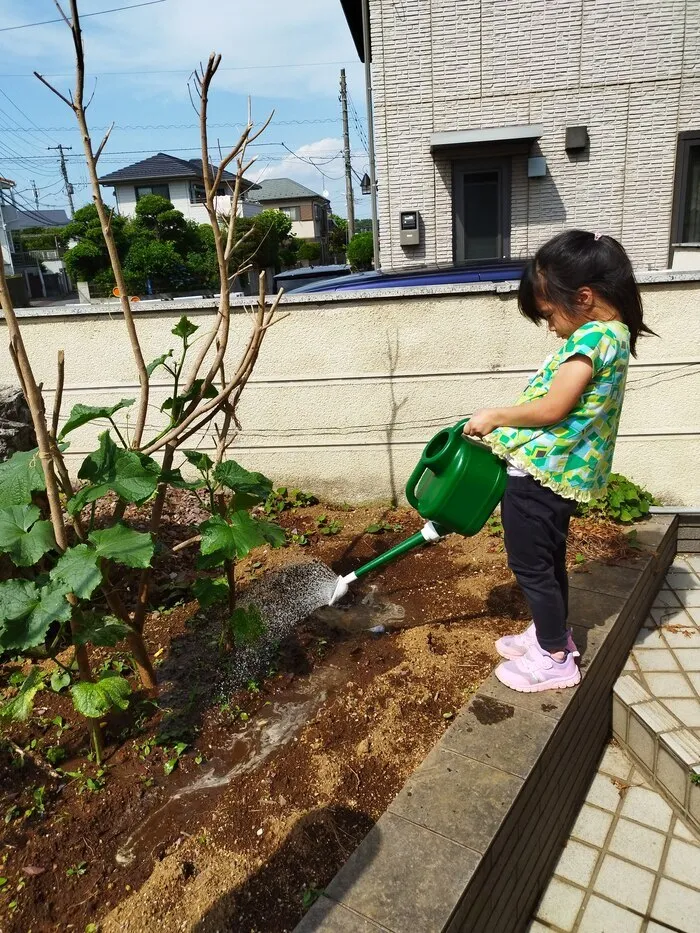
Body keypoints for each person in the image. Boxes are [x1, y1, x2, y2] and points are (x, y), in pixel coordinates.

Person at [463, 230, 655, 693]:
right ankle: (552, 633)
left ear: (584, 297)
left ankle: (554, 658)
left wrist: (495, 416)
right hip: (558, 476)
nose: (550, 326)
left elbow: (554, 408)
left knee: (531, 565)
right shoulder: (614, 334)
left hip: (541, 475)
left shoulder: (592, 338)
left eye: (549, 314)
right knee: (546, 563)